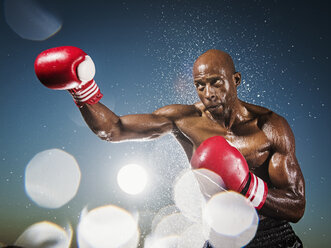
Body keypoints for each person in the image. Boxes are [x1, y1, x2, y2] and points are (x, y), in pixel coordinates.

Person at [34, 46, 306, 247]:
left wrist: (246, 185)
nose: (208, 93)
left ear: (235, 80)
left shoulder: (270, 127)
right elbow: (113, 130)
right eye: (200, 85)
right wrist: (82, 90)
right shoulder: (185, 120)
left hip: (274, 236)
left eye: (216, 83)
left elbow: (296, 207)